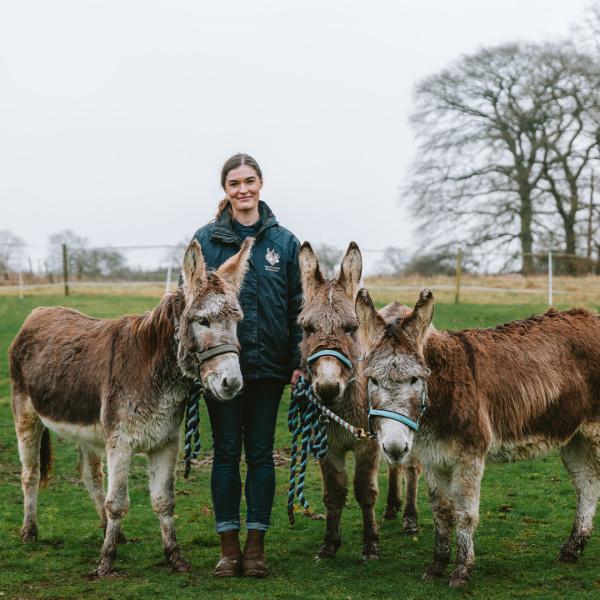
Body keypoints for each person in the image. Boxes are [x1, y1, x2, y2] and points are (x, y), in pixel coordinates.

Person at [188, 153, 303, 578]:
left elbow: (298, 307)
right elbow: (190, 307)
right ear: (225, 190)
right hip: (220, 369)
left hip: (269, 366)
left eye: (250, 181)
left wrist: (296, 362)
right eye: (235, 183)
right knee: (224, 455)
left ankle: (256, 549)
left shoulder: (284, 243)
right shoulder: (206, 240)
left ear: (260, 184)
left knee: (259, 455)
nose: (243, 189)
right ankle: (228, 548)